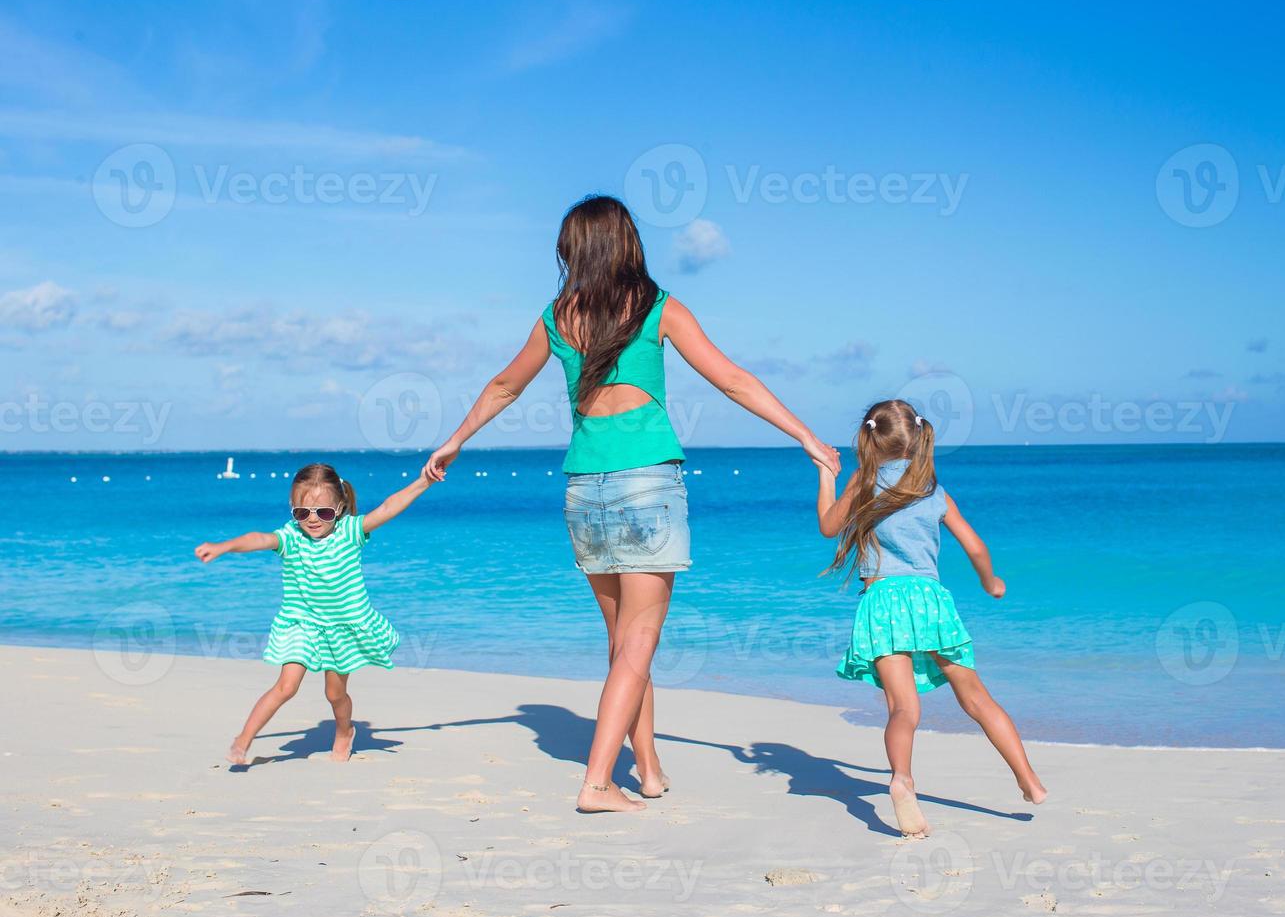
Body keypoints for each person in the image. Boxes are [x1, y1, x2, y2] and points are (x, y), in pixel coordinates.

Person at [424, 195, 839, 812]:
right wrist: (804, 433)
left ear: (574, 250)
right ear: (627, 243)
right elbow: (731, 379)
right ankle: (596, 782)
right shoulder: (658, 307)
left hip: (582, 491)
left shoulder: (557, 317)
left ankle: (646, 767)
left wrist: (456, 440)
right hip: (646, 485)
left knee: (623, 644)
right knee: (639, 643)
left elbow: (504, 385)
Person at [815, 399, 1045, 837]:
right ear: (919, 438)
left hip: (881, 600)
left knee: (904, 709)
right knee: (977, 698)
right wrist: (991, 580)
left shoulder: (864, 482)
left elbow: (829, 526)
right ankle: (1028, 780)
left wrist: (827, 475)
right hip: (930, 602)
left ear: (869, 438)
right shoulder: (933, 491)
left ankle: (902, 779)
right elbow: (975, 546)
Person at [194, 463, 431, 766]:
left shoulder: (350, 532)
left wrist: (424, 481)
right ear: (293, 510)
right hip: (302, 624)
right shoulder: (291, 537)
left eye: (324, 512)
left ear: (340, 507)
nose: (313, 520)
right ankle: (242, 742)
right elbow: (260, 538)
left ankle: (345, 731)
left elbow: (388, 507)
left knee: (335, 694)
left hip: (341, 628)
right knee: (285, 687)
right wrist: (225, 546)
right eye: (302, 513)